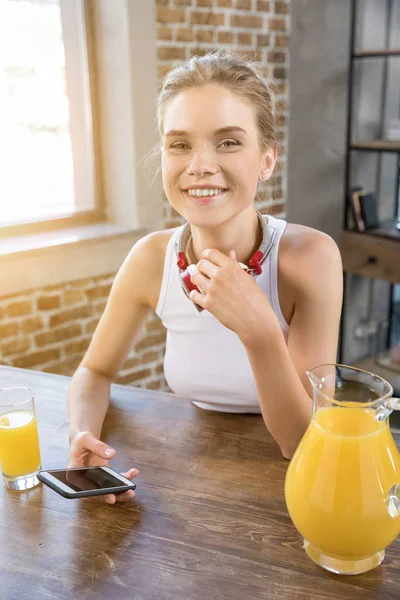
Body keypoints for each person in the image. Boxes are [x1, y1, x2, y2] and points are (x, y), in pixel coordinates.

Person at [67, 50, 343, 504]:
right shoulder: (151, 257)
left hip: (294, 492)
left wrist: (258, 328)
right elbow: (94, 372)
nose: (199, 165)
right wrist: (84, 435)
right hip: (190, 486)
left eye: (228, 142)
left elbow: (303, 445)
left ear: (266, 161)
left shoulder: (311, 257)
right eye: (179, 144)